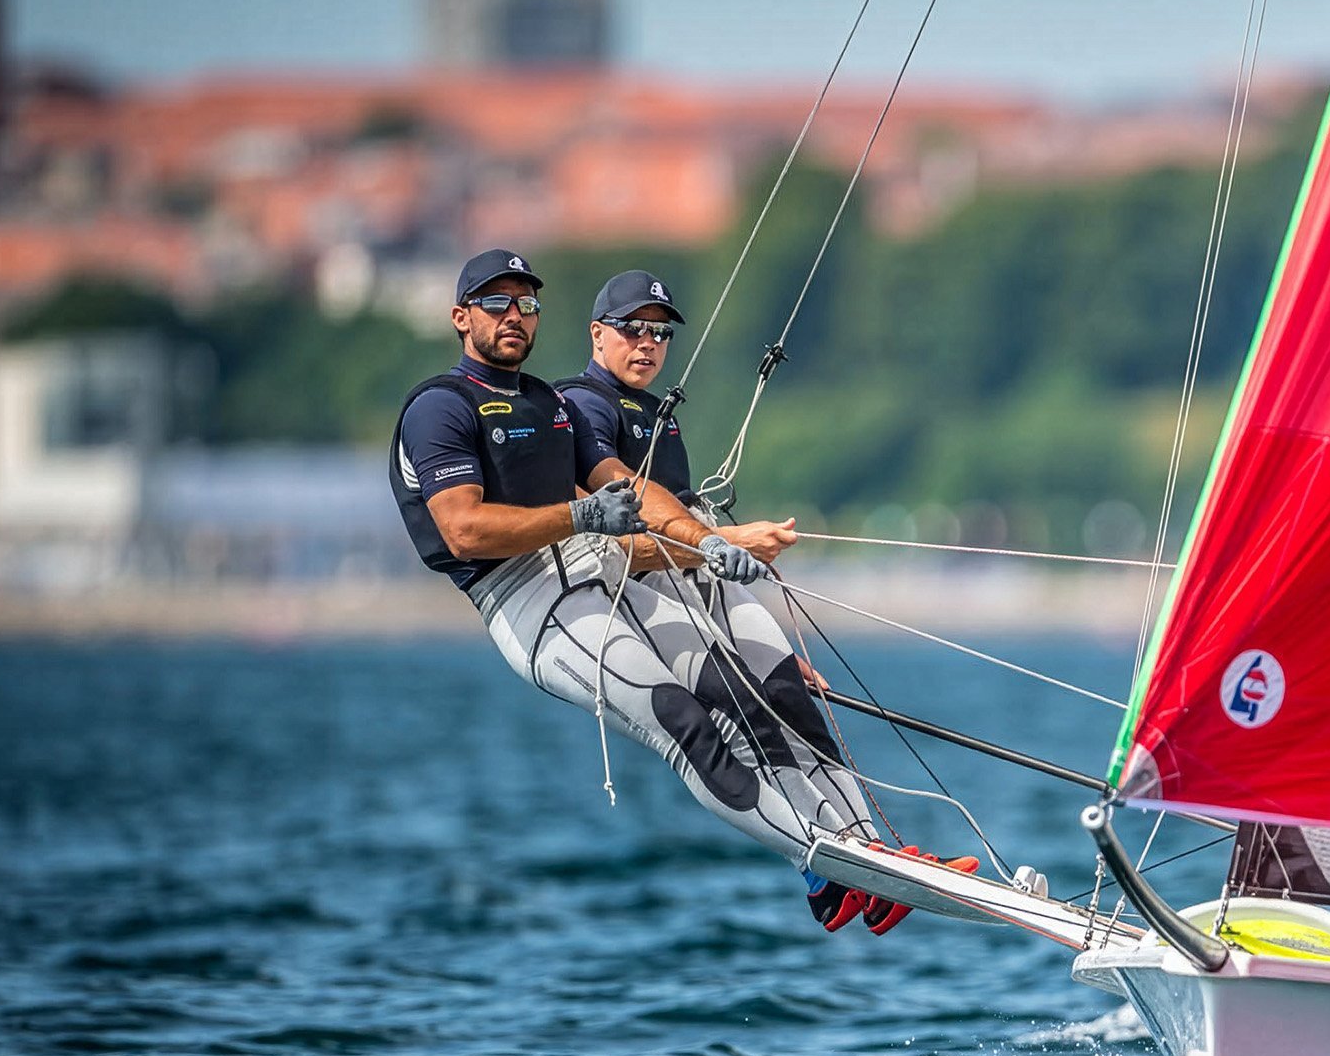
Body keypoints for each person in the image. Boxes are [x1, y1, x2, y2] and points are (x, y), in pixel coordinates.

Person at [389, 249, 934, 934]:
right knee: (683, 718)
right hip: (527, 600)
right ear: (461, 316)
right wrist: (584, 515)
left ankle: (862, 858)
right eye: (497, 303)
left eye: (526, 303)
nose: (514, 316)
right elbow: (464, 530)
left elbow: (629, 485)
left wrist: (707, 544)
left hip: (596, 578)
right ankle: (822, 859)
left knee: (744, 692)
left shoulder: (548, 404)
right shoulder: (440, 406)